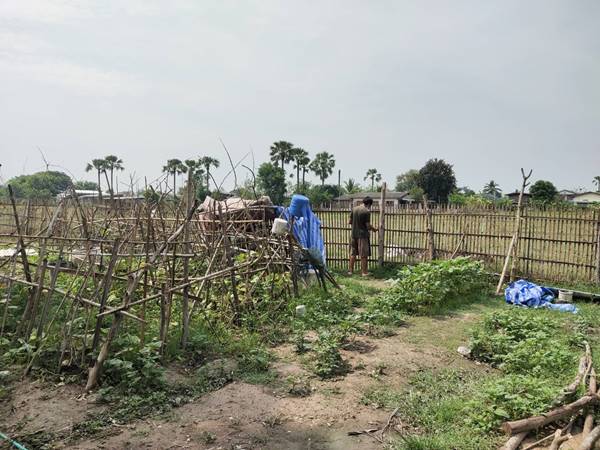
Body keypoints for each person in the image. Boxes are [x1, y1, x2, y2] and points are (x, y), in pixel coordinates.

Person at [348, 196, 378, 276]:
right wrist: (374, 229)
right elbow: (368, 226)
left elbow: (350, 222)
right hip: (362, 236)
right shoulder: (366, 211)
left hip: (353, 235)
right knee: (363, 255)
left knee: (353, 253)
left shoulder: (354, 209)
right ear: (369, 204)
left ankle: (350, 271)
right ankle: (364, 272)